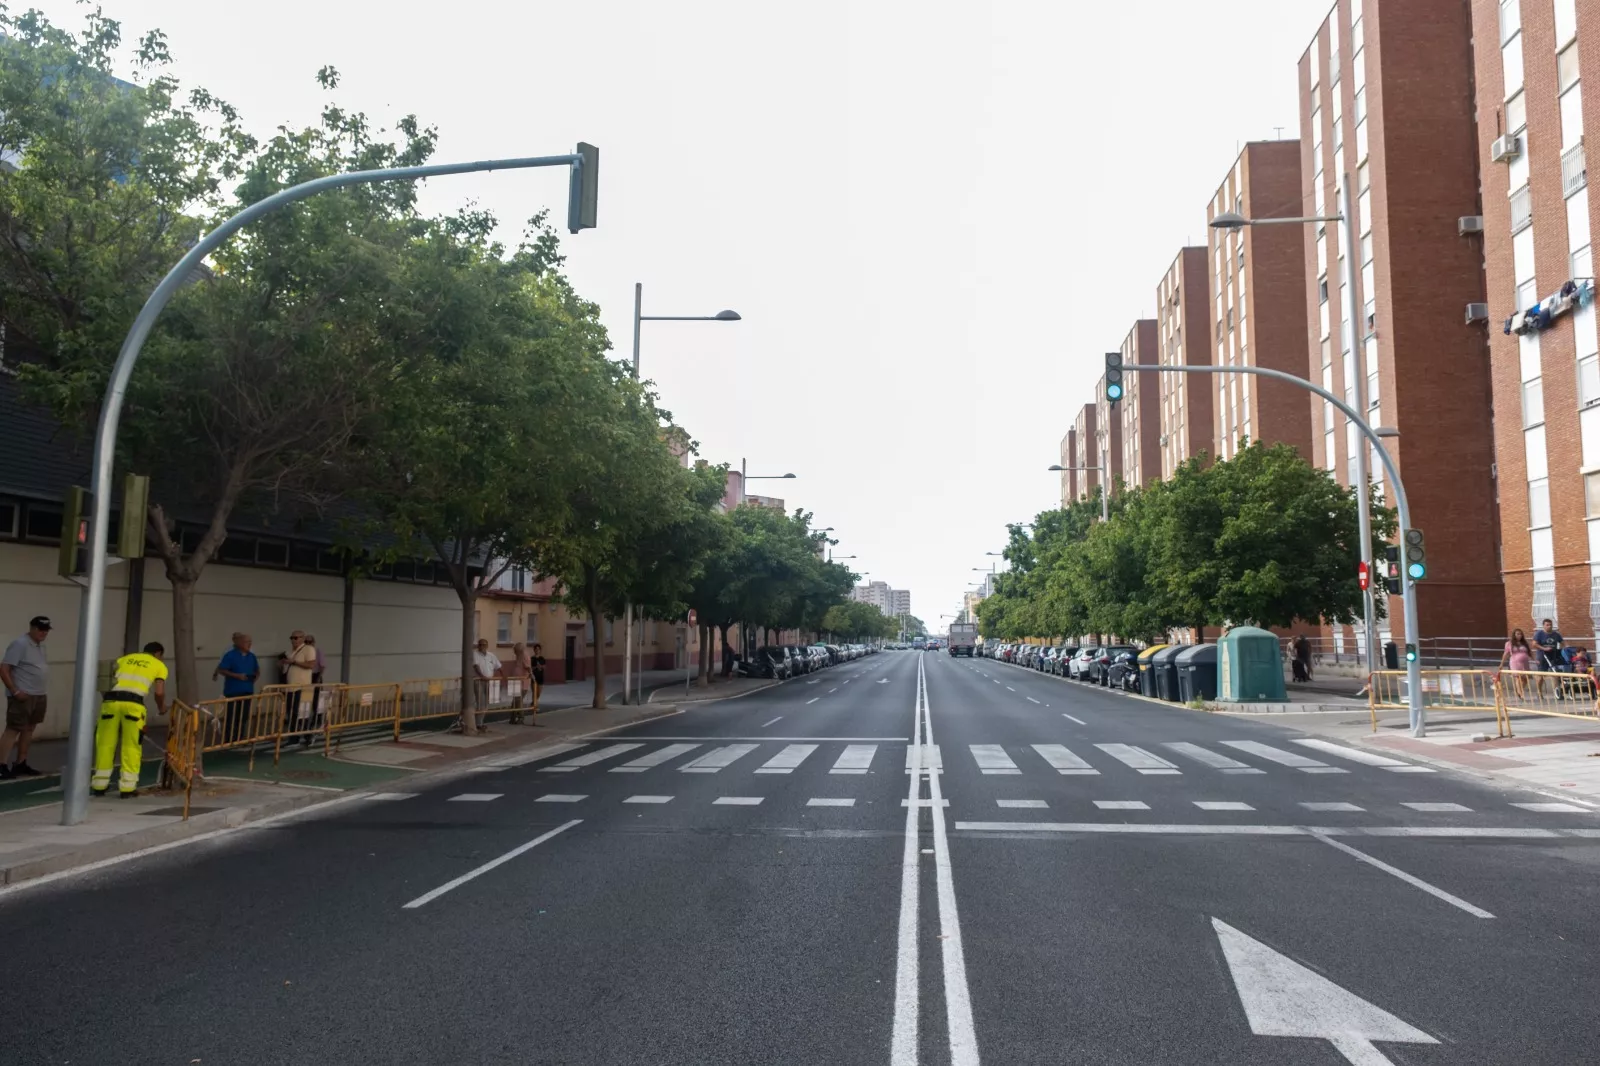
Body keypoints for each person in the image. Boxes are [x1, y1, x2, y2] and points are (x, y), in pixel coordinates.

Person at [92, 642, 167, 797]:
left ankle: (99, 785)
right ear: (158, 653)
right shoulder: (159, 665)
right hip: (134, 705)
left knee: (105, 743)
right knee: (131, 745)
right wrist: (162, 708)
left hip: (110, 703)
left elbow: (105, 680)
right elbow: (159, 693)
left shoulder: (124, 659)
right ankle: (127, 788)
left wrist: (108, 700)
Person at [0, 616, 52, 779]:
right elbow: (4, 668)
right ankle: (1, 764)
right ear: (32, 628)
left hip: (38, 694)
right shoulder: (20, 644)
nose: (43, 633)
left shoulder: (39, 646)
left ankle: (21, 762)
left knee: (29, 728)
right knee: (13, 729)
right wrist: (15, 691)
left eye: (46, 630)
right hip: (23, 694)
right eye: (40, 629)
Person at [212, 632, 259, 744]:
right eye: (247, 642)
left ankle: (239, 738)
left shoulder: (252, 656)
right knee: (232, 717)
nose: (249, 644)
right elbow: (222, 669)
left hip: (247, 690)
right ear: (239, 643)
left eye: (250, 642)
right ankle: (229, 739)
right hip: (233, 691)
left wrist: (254, 678)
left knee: (243, 716)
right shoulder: (230, 654)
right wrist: (236, 676)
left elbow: (257, 670)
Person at [279, 631, 318, 746]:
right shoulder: (290, 651)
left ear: (302, 638)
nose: (293, 640)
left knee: (301, 713)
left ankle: (308, 735)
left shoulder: (308, 649)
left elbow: (311, 665)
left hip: (302, 686)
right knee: (292, 713)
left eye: (296, 638)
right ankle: (294, 737)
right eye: (292, 638)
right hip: (290, 686)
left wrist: (294, 662)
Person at [471, 638, 501, 735]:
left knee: (487, 703)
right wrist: (482, 676)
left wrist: (496, 676)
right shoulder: (475, 654)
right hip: (479, 681)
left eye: (484, 645)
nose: (482, 646)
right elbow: (476, 666)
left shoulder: (491, 655)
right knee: (480, 702)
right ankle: (478, 724)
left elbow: (498, 666)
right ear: (478, 646)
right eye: (480, 644)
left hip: (489, 681)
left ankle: (480, 722)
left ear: (487, 646)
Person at [1533, 618, 1566, 700]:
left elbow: (1562, 642)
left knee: (1555, 674)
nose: (1549, 626)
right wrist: (1544, 648)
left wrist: (1561, 650)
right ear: (1543, 626)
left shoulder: (1556, 634)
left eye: (1550, 624)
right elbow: (1534, 644)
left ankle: (1557, 692)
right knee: (1541, 675)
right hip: (1542, 656)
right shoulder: (1539, 634)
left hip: (1553, 656)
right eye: (1547, 625)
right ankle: (1539, 692)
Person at [1499, 628, 1534, 701]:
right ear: (1514, 635)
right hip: (1515, 662)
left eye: (1520, 634)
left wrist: (1535, 660)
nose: (1519, 635)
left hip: (1525, 663)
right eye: (1517, 634)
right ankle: (1520, 693)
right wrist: (1502, 664)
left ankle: (1519, 689)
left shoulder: (1524, 643)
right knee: (1518, 677)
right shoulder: (1509, 643)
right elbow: (1505, 654)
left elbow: (1529, 652)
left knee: (1525, 679)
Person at [503, 643, 533, 724]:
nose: (514, 651)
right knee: (515, 701)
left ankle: (520, 717)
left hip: (522, 682)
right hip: (515, 681)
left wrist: (531, 675)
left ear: (519, 649)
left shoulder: (524, 656)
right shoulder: (518, 656)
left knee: (518, 700)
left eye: (515, 650)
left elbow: (528, 667)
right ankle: (512, 717)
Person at [530, 643, 546, 724]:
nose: (537, 651)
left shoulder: (542, 658)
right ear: (534, 650)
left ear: (540, 650)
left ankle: (533, 703)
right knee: (534, 692)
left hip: (541, 678)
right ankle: (535, 707)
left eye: (538, 649)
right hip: (534, 678)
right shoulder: (532, 658)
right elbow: (530, 668)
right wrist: (536, 667)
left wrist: (541, 666)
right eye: (536, 649)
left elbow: (544, 667)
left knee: (538, 693)